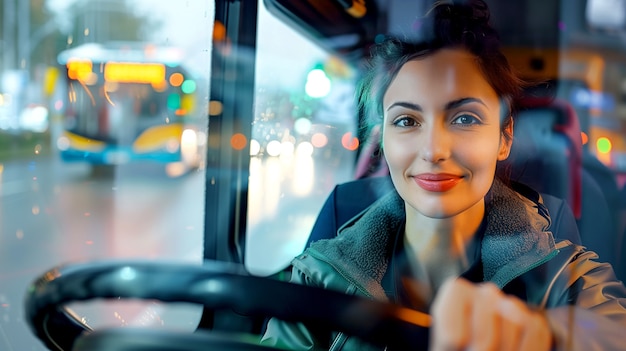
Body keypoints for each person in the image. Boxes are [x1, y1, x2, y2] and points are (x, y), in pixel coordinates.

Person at [261, 1, 626, 350]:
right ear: (383, 141)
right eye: (407, 121)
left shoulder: (565, 275)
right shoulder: (318, 277)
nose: (434, 149)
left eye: (465, 118)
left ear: (504, 137)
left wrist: (547, 335)